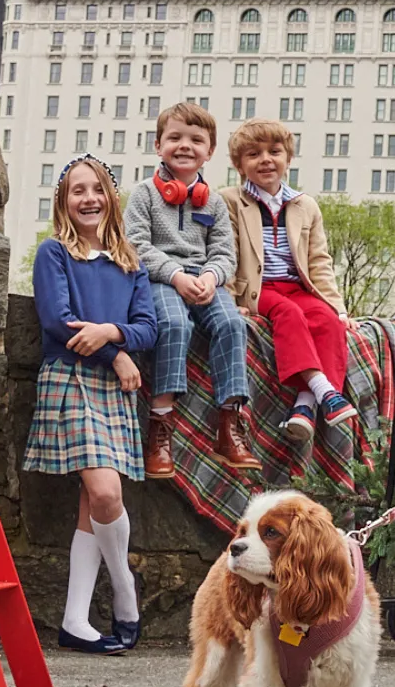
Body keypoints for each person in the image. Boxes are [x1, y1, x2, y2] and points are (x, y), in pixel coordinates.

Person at [24, 155, 157, 654]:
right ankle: (125, 591)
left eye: (97, 189)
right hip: (72, 379)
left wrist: (111, 333)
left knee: (93, 503)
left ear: (111, 197)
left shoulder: (130, 261)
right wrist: (117, 355)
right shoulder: (54, 254)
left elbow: (149, 327)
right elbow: (59, 322)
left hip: (112, 387)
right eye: (77, 191)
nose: (89, 199)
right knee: (104, 494)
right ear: (64, 201)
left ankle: (75, 620)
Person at [124, 102, 260, 479]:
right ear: (158, 145)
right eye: (175, 137)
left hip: (204, 280)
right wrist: (175, 275)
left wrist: (213, 278)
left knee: (232, 324)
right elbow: (135, 245)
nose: (185, 145)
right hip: (160, 279)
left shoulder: (214, 202)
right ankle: (160, 426)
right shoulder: (143, 194)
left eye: (196, 140)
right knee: (175, 325)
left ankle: (229, 424)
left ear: (210, 151)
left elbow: (224, 253)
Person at [221, 118, 356, 441]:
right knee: (289, 315)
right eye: (253, 154)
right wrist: (227, 303)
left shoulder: (304, 205)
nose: (266, 159)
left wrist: (338, 307)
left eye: (274, 151)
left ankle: (305, 405)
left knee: (327, 322)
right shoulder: (230, 200)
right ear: (240, 164)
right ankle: (325, 391)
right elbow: (224, 254)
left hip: (297, 287)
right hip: (258, 289)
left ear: (288, 158)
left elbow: (319, 261)